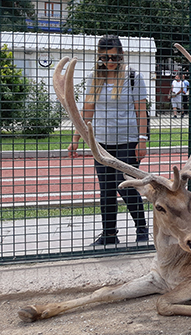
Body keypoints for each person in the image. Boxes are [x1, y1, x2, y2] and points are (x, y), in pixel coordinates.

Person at [67, 35, 150, 245]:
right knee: (106, 190)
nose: (109, 62)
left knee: (127, 186)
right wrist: (75, 138)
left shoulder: (133, 77)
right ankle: (109, 234)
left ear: (121, 55)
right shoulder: (94, 78)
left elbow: (142, 111)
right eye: (104, 58)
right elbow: (87, 111)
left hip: (128, 141)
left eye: (113, 57)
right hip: (101, 144)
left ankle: (142, 229)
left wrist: (142, 140)